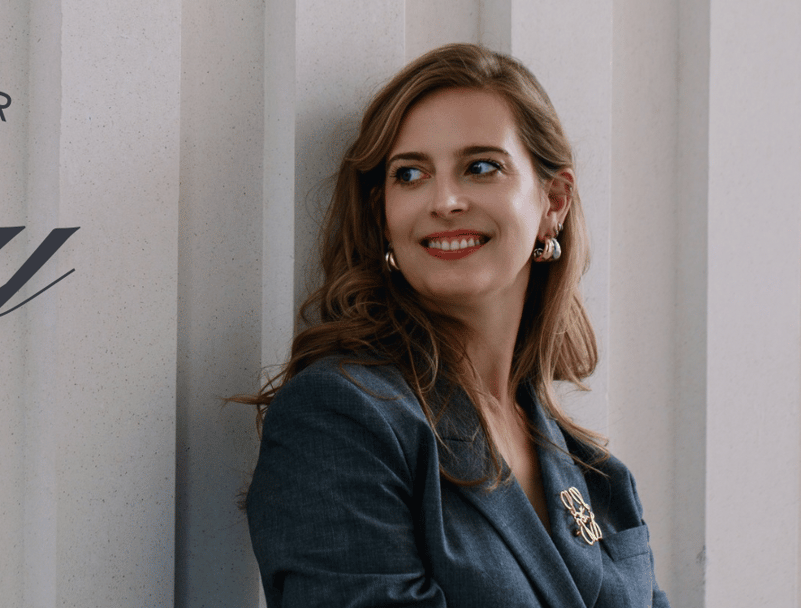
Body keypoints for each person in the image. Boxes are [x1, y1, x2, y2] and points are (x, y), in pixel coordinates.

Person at [238, 44, 669, 607]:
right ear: (383, 217)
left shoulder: (599, 474)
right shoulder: (342, 418)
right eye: (410, 174)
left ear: (553, 202)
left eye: (481, 167)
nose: (444, 200)